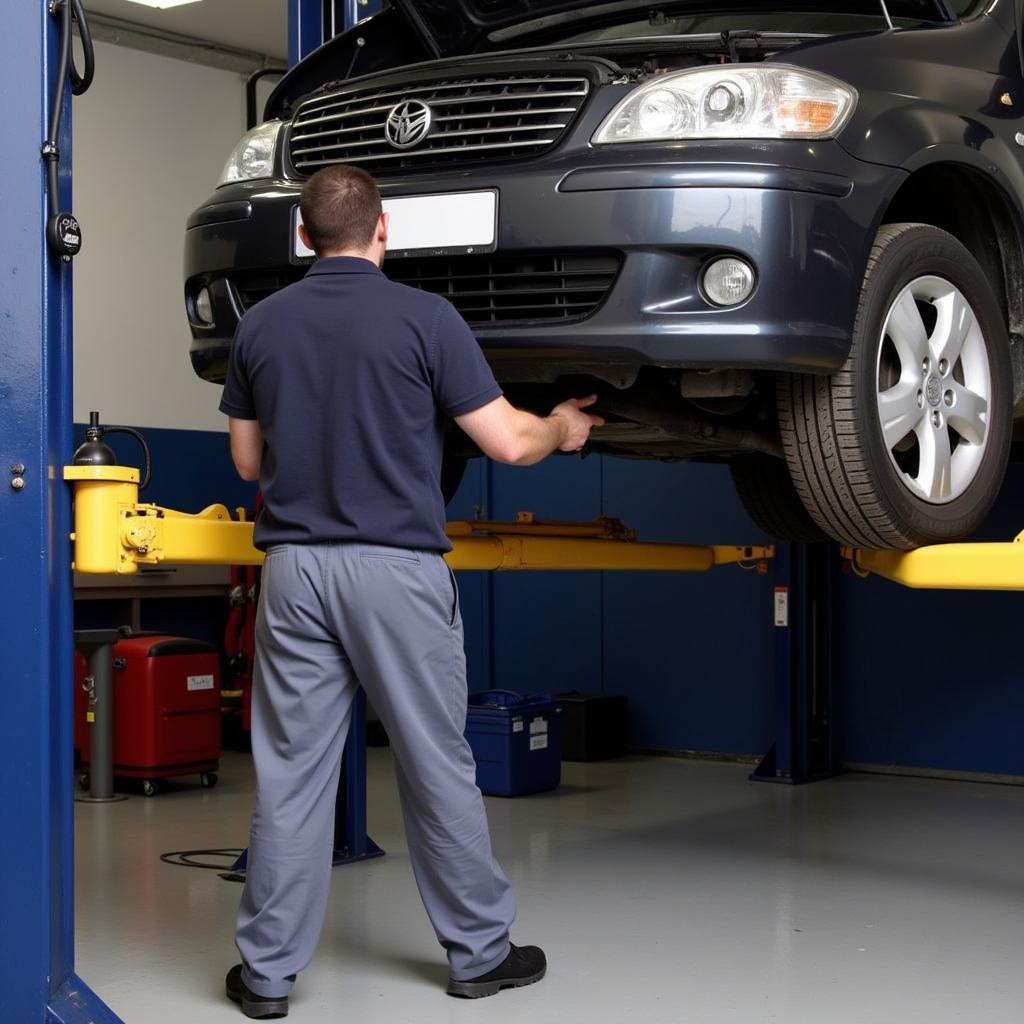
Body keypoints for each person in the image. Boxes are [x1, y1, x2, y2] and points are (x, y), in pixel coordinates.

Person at [219, 163, 603, 1019]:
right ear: (382, 229)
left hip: (295, 574)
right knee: (436, 765)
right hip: (396, 569)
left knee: (289, 777)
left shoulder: (262, 328)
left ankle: (268, 976)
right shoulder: (427, 318)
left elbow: (248, 464)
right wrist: (561, 427)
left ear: (304, 237)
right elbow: (506, 444)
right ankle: (479, 953)